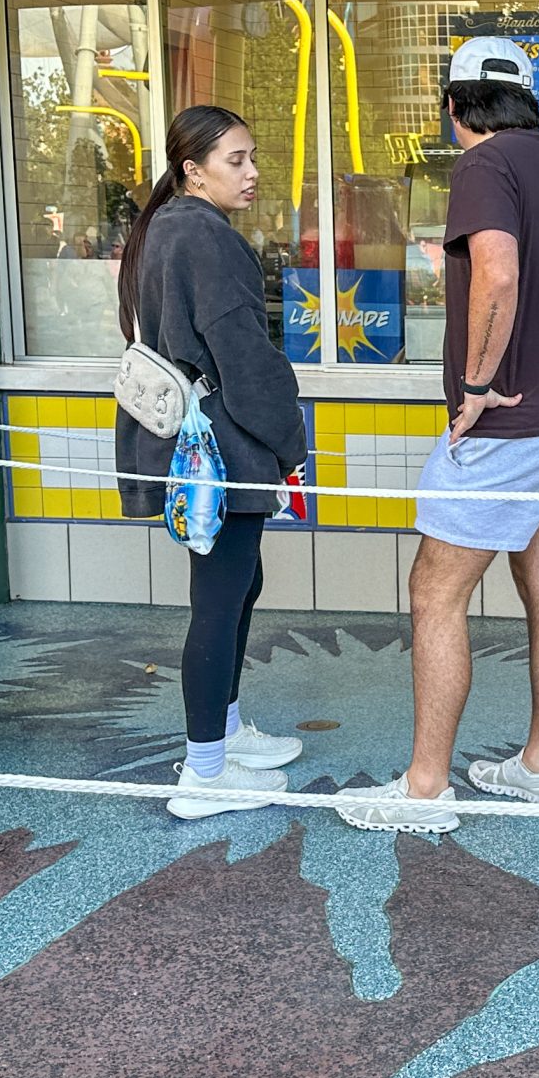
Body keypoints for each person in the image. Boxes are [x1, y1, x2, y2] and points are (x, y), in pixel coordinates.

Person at [338, 38, 539, 832]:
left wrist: (476, 385)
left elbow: (496, 273)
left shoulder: (484, 164)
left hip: (511, 420)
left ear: (453, 106)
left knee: (435, 588)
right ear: (529, 101)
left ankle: (425, 792)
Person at [114, 106, 311, 821]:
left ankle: (224, 735)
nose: (252, 172)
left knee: (236, 584)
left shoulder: (167, 227)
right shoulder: (206, 238)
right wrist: (291, 441)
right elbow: (244, 357)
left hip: (194, 441)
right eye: (236, 160)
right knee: (221, 597)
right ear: (193, 169)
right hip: (222, 445)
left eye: (253, 156)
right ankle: (204, 772)